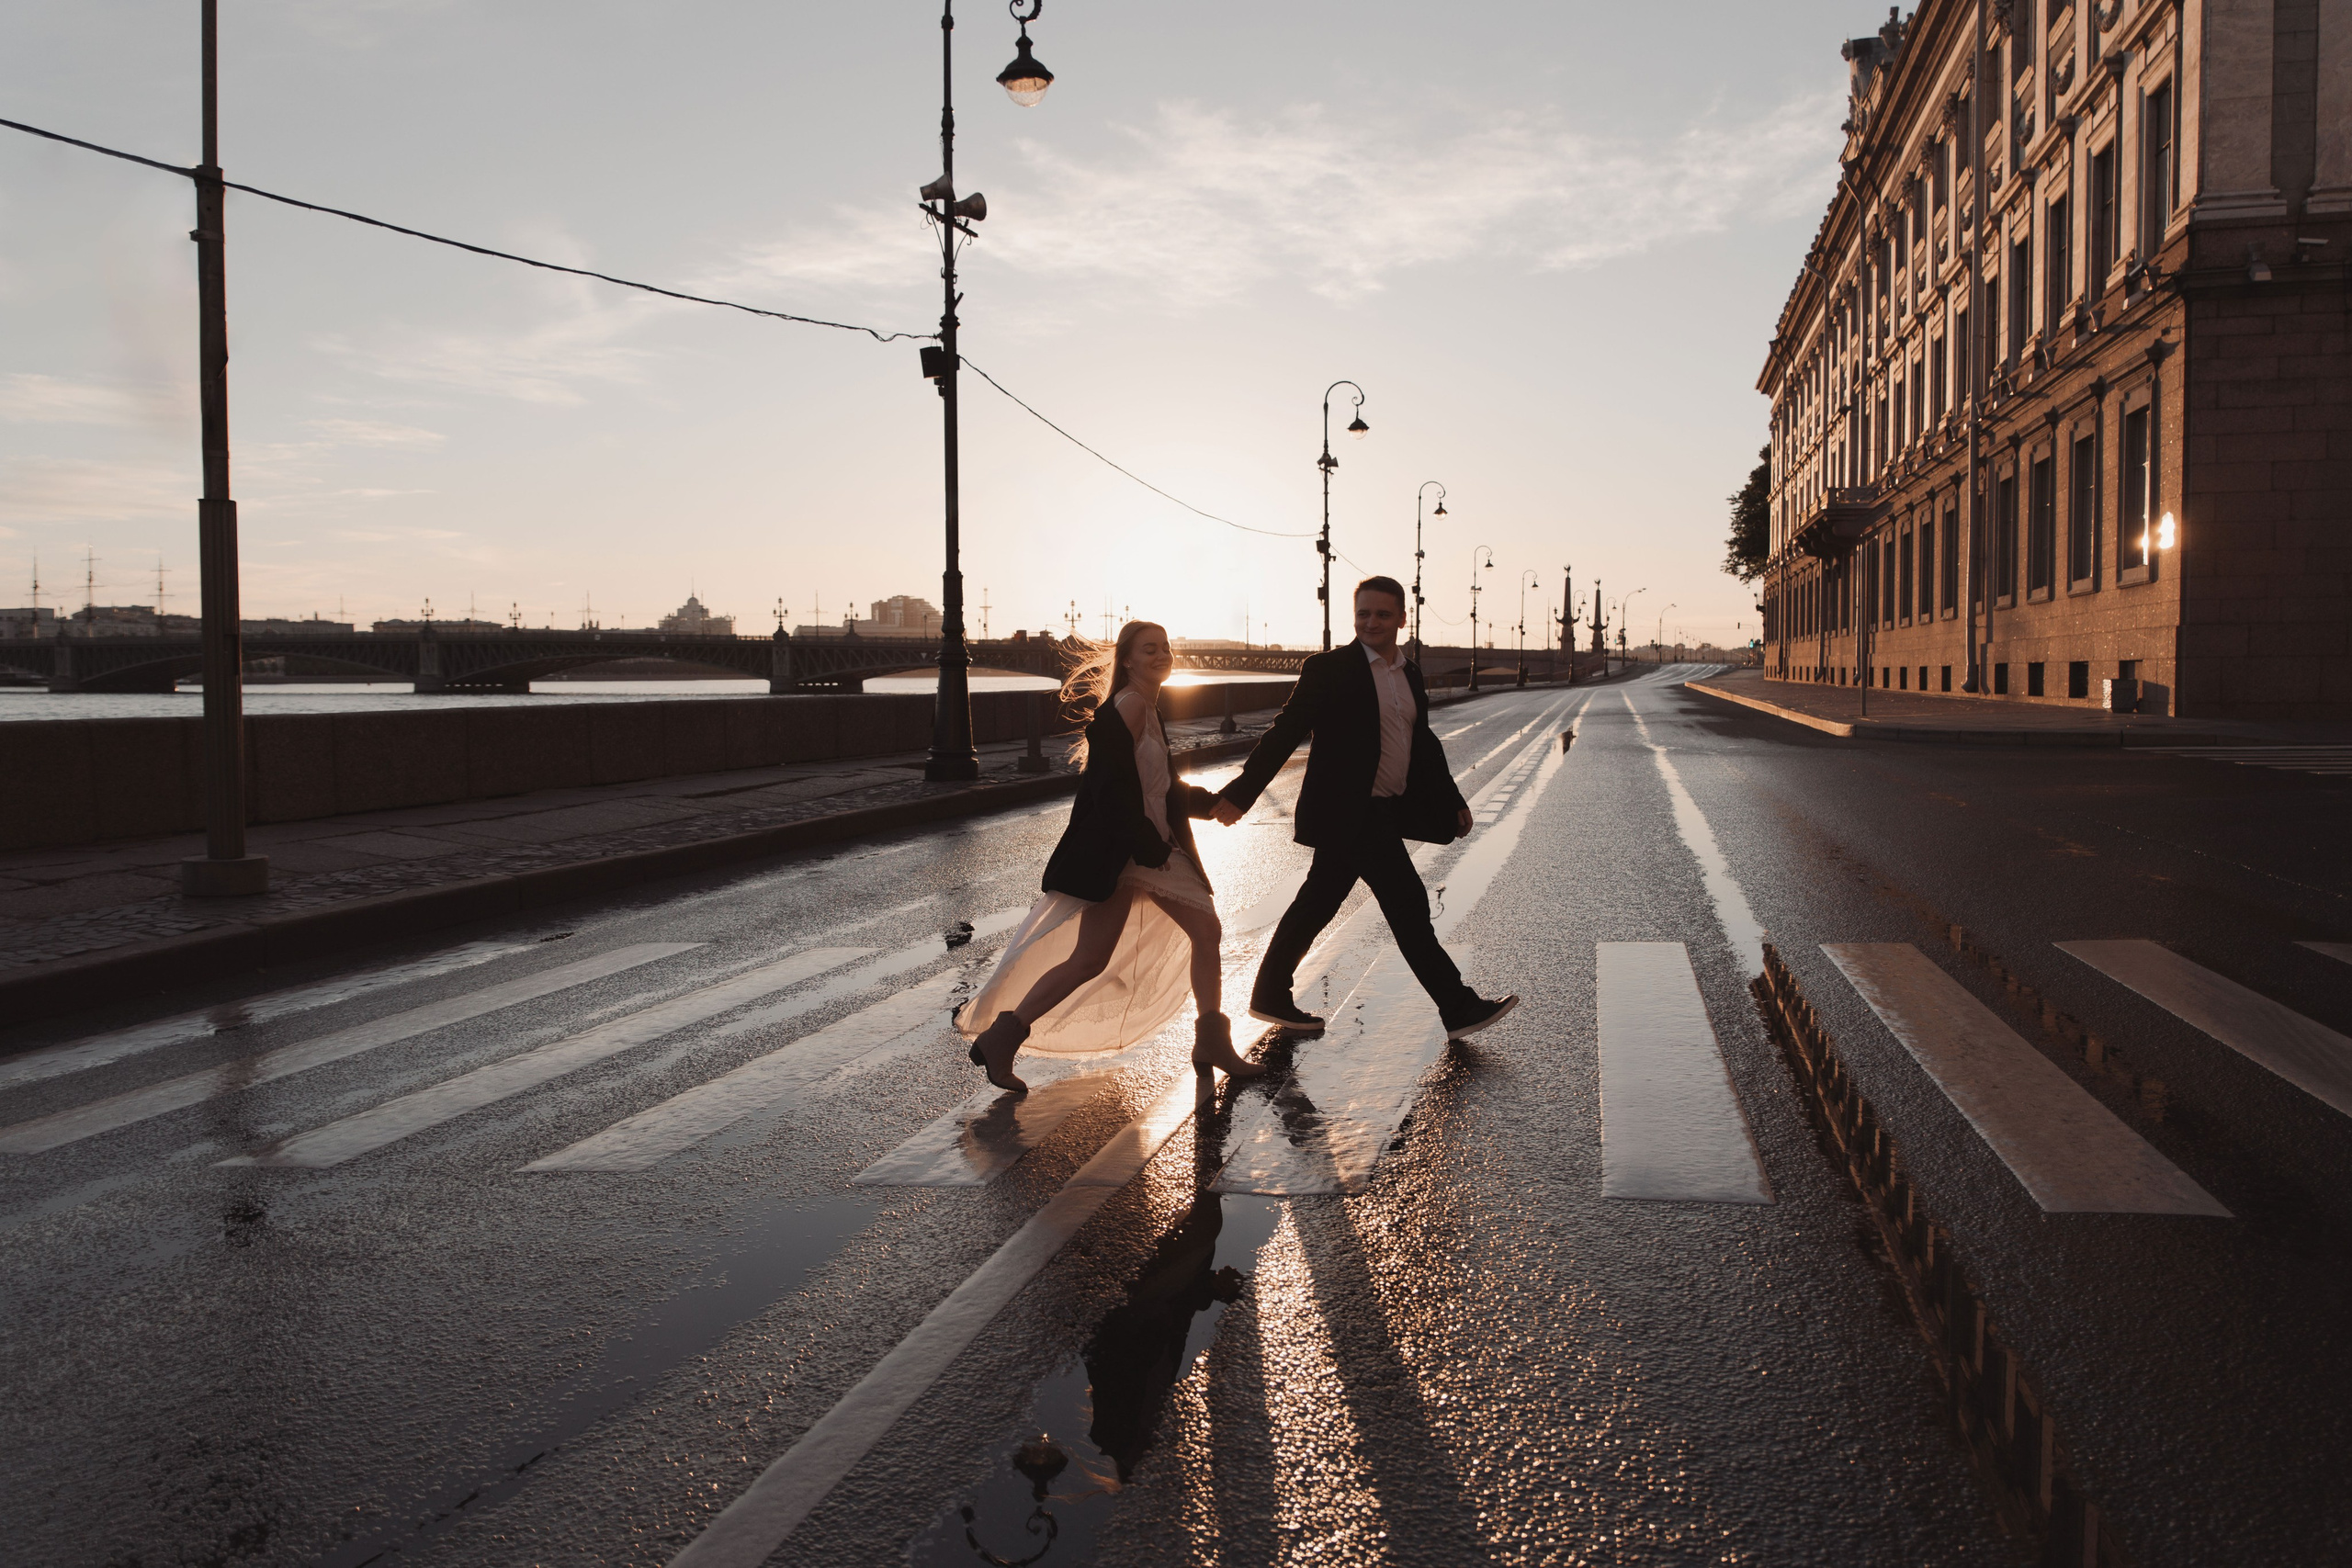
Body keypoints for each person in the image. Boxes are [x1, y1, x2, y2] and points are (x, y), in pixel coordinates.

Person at [961, 620, 1267, 1094]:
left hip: (1135, 848)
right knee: (1201, 933)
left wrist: (1209, 805)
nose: (1162, 655)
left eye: (1166, 647)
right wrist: (1148, 847)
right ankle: (1210, 1042)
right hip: (1134, 850)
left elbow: (1158, 788)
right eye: (1149, 650)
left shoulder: (1145, 707)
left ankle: (1003, 1037)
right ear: (1127, 660)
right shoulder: (1126, 708)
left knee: (1092, 958)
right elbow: (1109, 791)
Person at [1213, 576, 1517, 1039]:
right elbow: (1284, 732)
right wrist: (1241, 793)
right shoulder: (1330, 669)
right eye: (1362, 614)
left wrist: (1452, 799)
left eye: (1382, 614)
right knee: (1408, 903)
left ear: (1401, 618)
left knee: (1318, 902)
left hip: (1382, 810)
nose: (1371, 623)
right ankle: (1457, 1007)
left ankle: (1269, 993)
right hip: (1347, 812)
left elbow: (1422, 744)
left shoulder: (1408, 673)